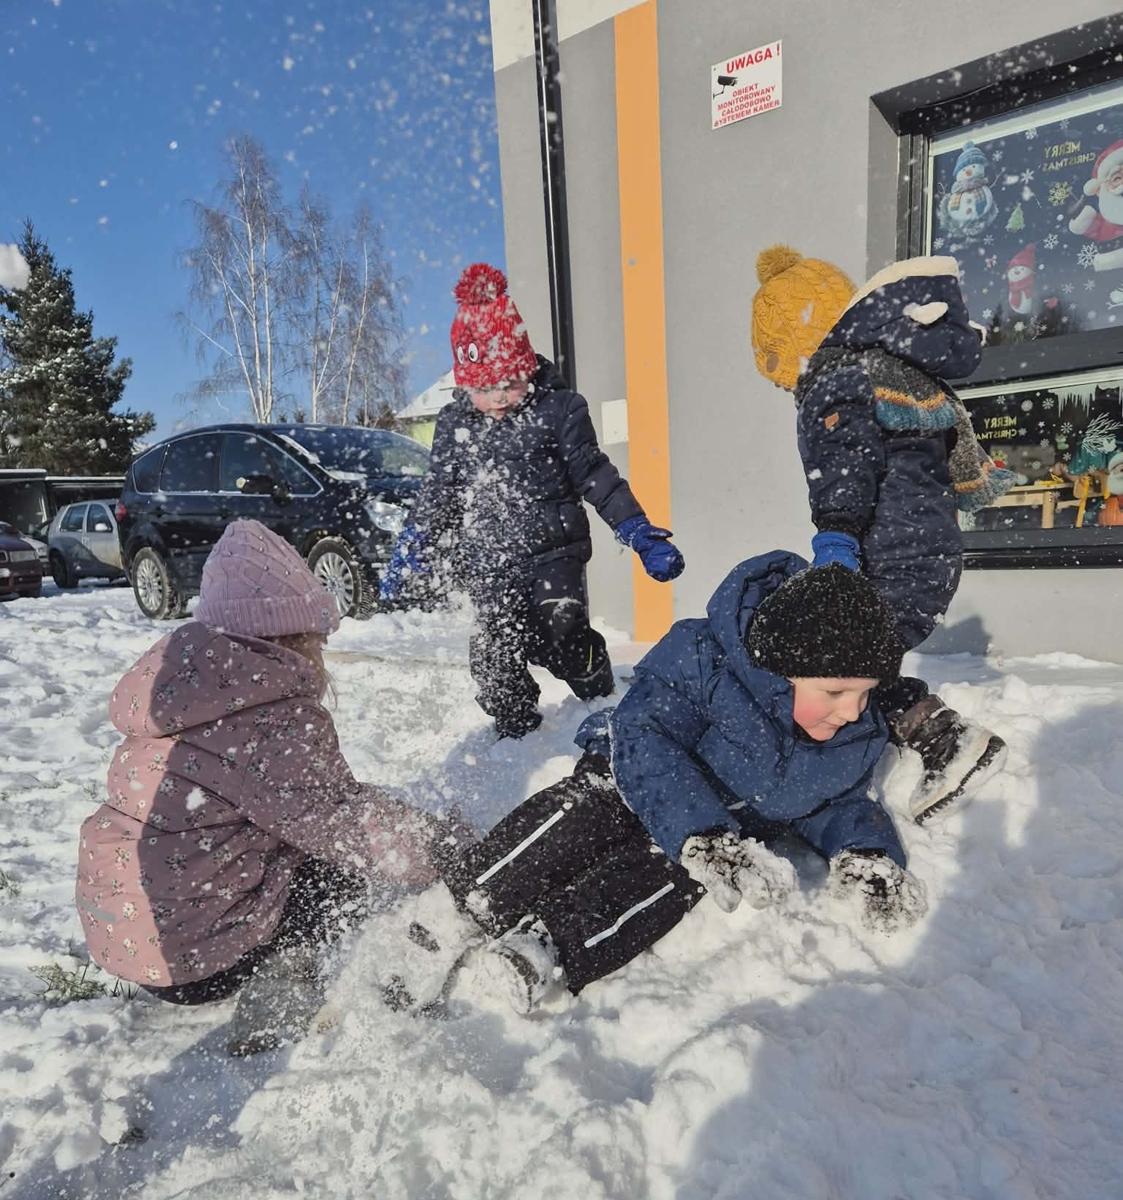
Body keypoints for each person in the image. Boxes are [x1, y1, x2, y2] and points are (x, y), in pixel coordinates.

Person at [435, 552, 926, 1014]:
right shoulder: (705, 664)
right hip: (633, 778)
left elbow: (836, 801)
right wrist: (697, 829)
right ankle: (462, 904)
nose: (852, 711)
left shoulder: (851, 740)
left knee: (673, 878)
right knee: (583, 813)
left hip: (717, 835)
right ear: (783, 671)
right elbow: (646, 732)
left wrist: (866, 850)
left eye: (865, 694)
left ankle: (546, 946)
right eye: (835, 691)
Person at [75, 520, 461, 1056]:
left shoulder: (185, 688)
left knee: (279, 833)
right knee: (334, 869)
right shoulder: (272, 719)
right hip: (194, 963)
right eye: (319, 641)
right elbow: (347, 826)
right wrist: (443, 847)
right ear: (291, 637)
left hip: (125, 938)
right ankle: (281, 982)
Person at [751, 246, 1014, 823]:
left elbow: (844, 465)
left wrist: (837, 537)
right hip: (927, 551)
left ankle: (941, 743)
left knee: (841, 663)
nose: (782, 383)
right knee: (862, 659)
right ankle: (924, 740)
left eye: (775, 364)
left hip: (892, 551)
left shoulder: (833, 374)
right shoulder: (895, 371)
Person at [379, 263, 685, 740]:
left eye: (510, 382)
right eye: (484, 388)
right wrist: (414, 544)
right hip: (489, 560)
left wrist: (637, 530)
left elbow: (594, 474)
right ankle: (517, 729)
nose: (499, 398)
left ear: (527, 367)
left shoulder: (560, 410)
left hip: (554, 553)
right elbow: (440, 493)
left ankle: (594, 681)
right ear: (465, 384)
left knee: (561, 628)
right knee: (494, 651)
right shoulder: (455, 425)